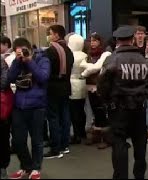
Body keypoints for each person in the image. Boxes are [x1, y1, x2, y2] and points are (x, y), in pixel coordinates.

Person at [97, 25, 148, 179]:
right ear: (132, 39)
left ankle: (121, 176)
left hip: (119, 109)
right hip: (139, 107)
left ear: (117, 41)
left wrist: (107, 101)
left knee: (119, 144)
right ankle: (139, 175)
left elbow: (102, 84)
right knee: (140, 144)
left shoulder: (112, 59)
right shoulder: (143, 59)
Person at [8, 37, 50, 179]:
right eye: (17, 52)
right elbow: (10, 78)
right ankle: (26, 166)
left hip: (37, 105)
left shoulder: (42, 59)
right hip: (19, 105)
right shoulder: (17, 61)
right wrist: (17, 62)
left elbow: (43, 77)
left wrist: (29, 61)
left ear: (29, 49)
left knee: (37, 139)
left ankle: (36, 168)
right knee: (17, 140)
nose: (20, 54)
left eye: (23, 51)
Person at [44, 25, 74, 159]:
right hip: (66, 87)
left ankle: (55, 148)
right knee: (65, 116)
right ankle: (64, 144)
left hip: (53, 88)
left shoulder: (50, 51)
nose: (49, 36)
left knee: (53, 117)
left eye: (50, 34)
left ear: (56, 35)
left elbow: (46, 71)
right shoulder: (69, 51)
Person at [80, 33, 112, 149]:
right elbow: (87, 67)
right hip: (89, 85)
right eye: (91, 41)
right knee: (94, 111)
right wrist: (88, 68)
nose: (92, 43)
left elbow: (96, 68)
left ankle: (106, 138)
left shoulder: (105, 54)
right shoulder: (88, 54)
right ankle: (96, 135)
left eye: (95, 41)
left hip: (100, 86)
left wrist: (86, 68)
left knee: (102, 112)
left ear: (100, 41)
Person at [67, 34, 88, 144]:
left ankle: (76, 134)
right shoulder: (84, 55)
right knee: (81, 110)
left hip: (72, 83)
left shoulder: (70, 55)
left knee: (73, 111)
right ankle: (82, 131)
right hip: (82, 83)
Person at [0, 55, 11, 179]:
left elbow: (4, 81)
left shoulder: (1, 62)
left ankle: (3, 168)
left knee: (3, 139)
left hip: (2, 109)